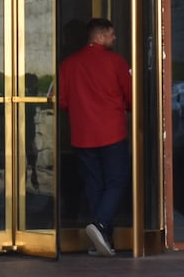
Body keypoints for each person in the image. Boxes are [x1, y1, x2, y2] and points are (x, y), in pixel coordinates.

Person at [57, 17, 132, 257]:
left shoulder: (69, 64)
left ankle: (102, 239)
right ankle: (100, 226)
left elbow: (63, 101)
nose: (114, 38)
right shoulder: (116, 62)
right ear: (100, 36)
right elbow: (131, 97)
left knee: (94, 184)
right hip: (112, 131)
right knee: (117, 180)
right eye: (111, 34)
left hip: (82, 134)